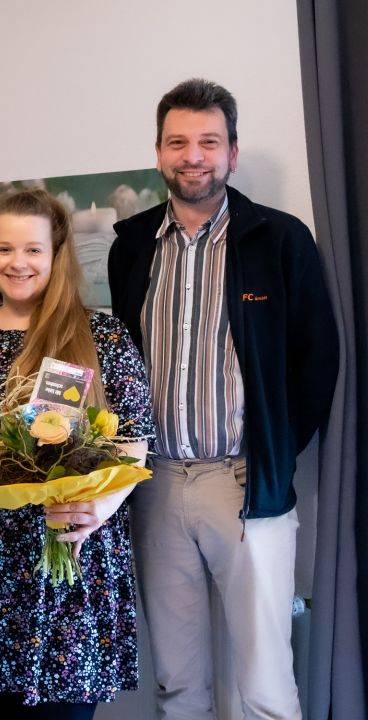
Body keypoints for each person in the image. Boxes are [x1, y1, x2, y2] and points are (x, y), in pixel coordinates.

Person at [108, 78, 339, 720]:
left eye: (209, 141)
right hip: (152, 483)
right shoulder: (132, 246)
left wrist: (271, 451)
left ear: (232, 153)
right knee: (177, 680)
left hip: (244, 480)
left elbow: (317, 360)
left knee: (263, 682)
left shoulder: (280, 239)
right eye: (178, 141)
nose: (193, 155)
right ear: (158, 153)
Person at [0, 189, 154, 720]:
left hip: (70, 558)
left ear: (56, 254)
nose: (17, 263)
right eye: (5, 249)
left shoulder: (102, 335)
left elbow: (135, 442)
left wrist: (98, 509)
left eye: (33, 250)